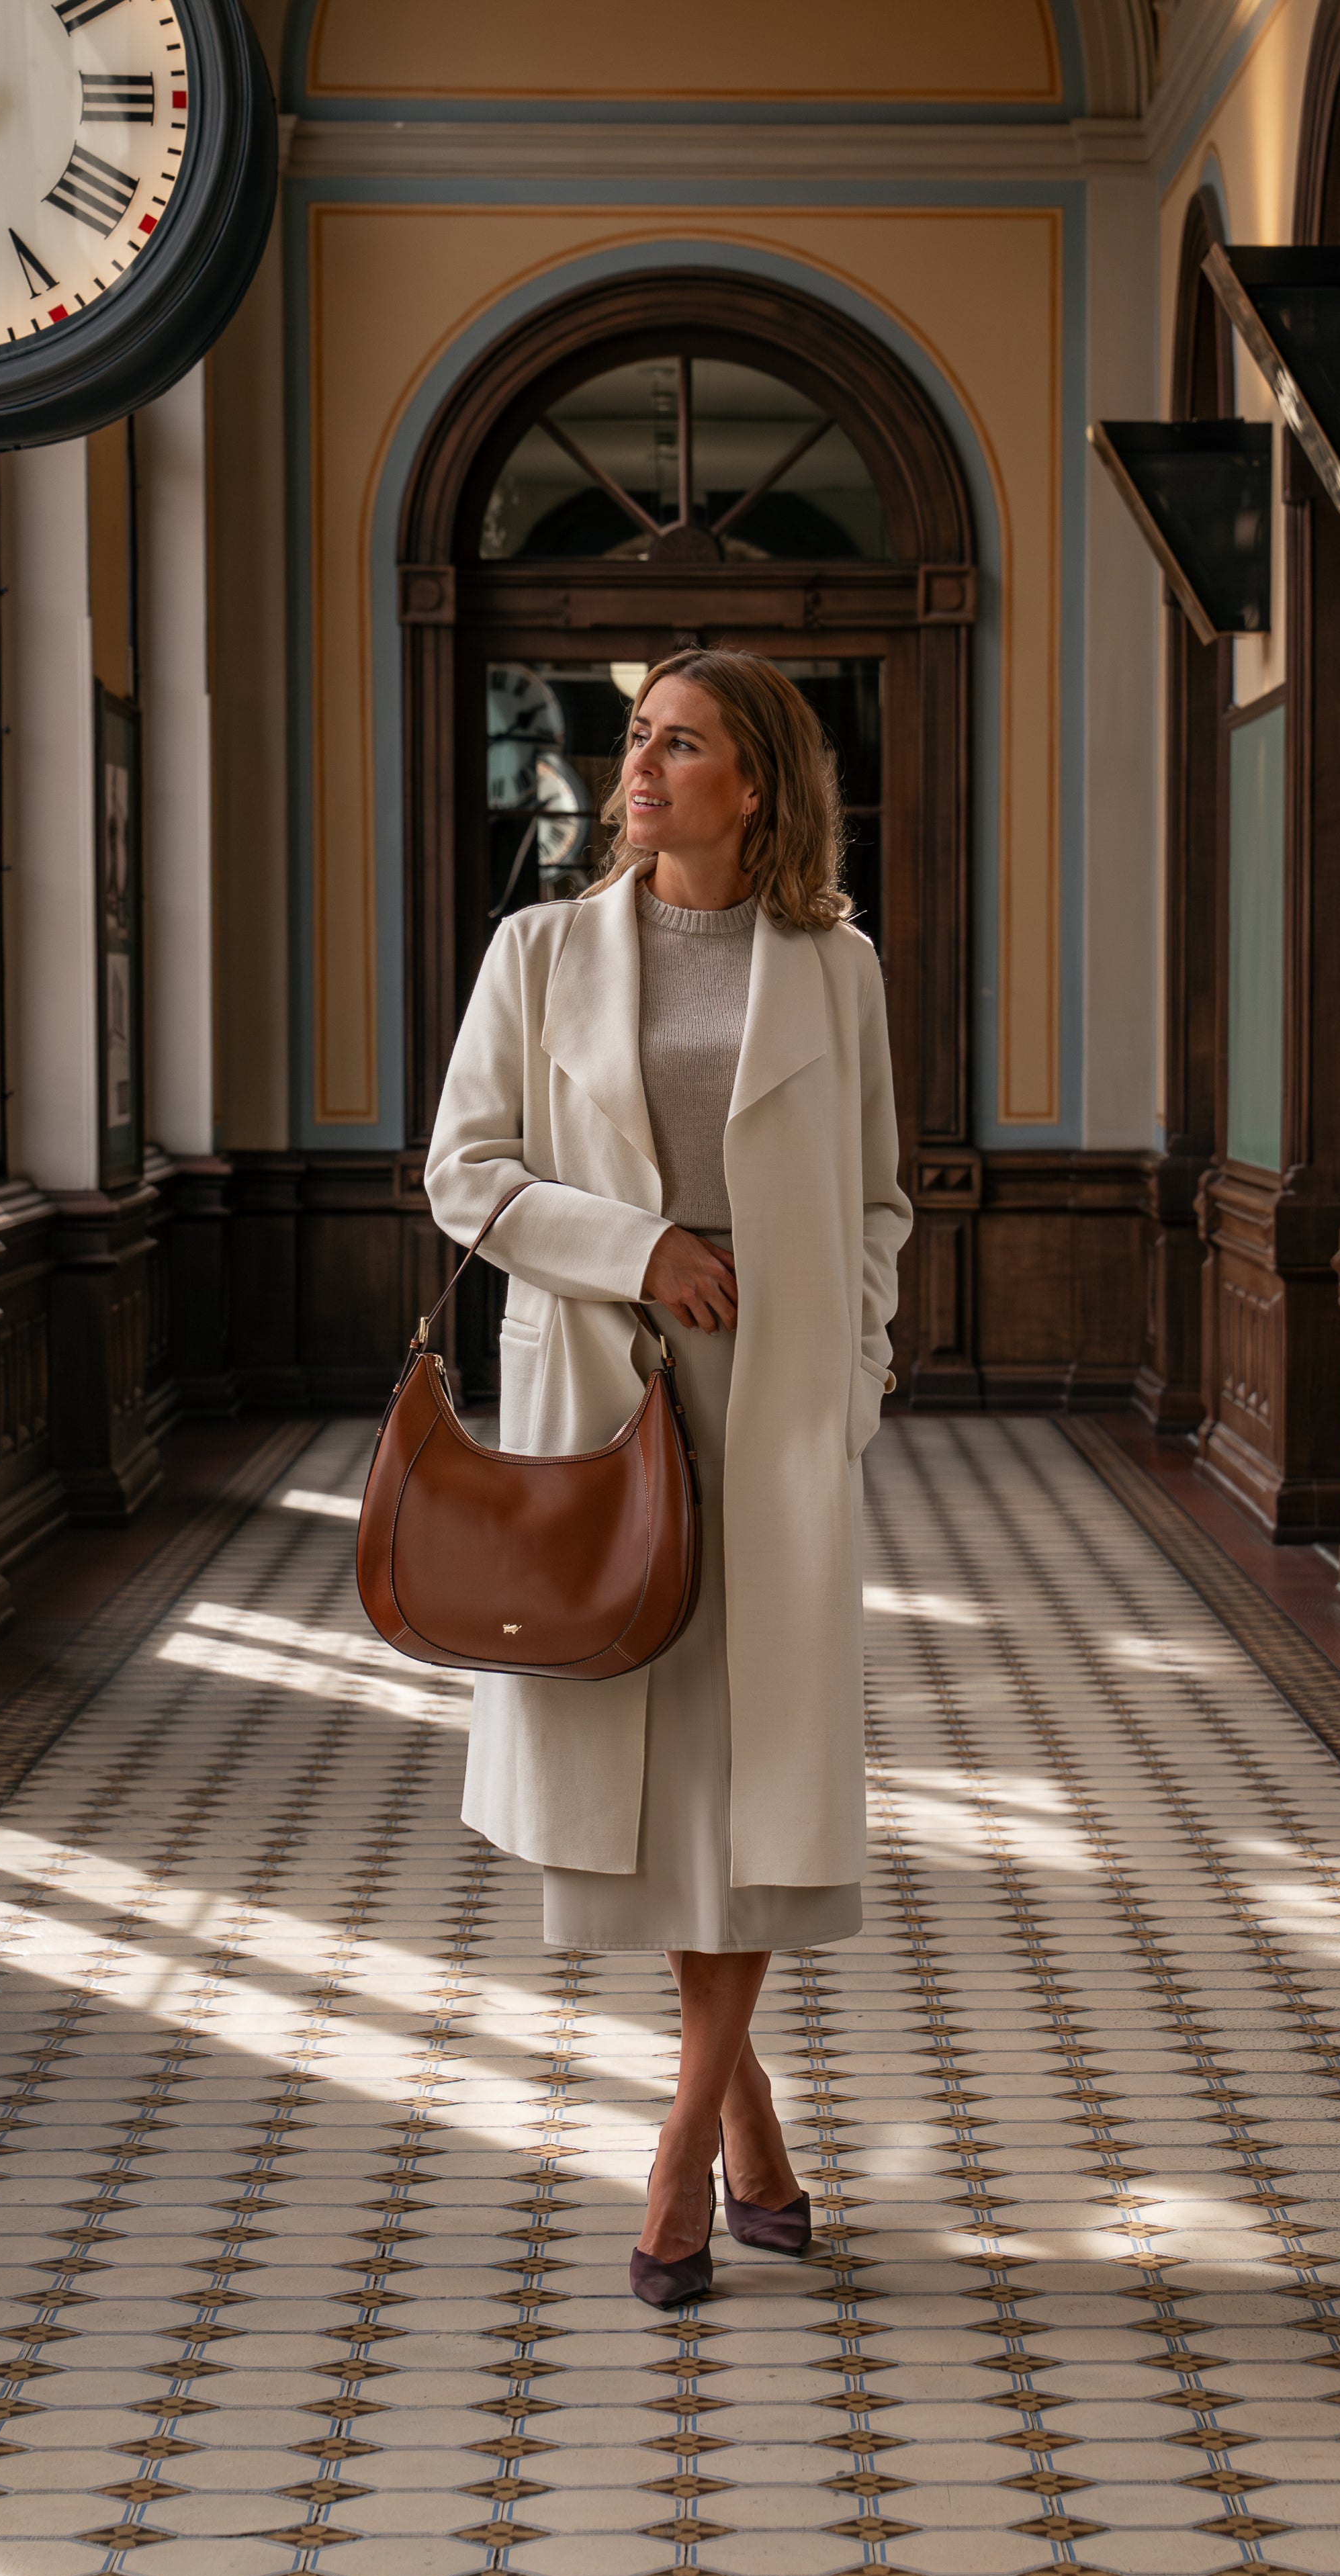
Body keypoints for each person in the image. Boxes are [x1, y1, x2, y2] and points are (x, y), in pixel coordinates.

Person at [422, 648, 911, 2309]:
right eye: (637, 738)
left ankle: (682, 2147)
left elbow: (878, 1209)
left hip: (773, 1414)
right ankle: (749, 2130)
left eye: (678, 745)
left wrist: (852, 1380)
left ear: (754, 781)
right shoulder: (541, 951)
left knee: (750, 1784)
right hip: (606, 1390)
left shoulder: (835, 966)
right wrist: (640, 1250)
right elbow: (462, 1174)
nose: (639, 766)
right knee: (658, 1778)